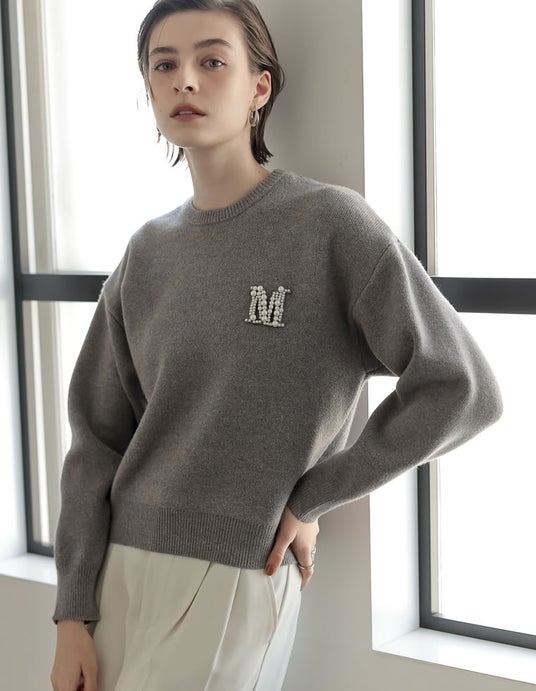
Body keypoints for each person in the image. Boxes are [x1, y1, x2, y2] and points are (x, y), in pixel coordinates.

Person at [50, 1, 503, 689]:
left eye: (211, 60)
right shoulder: (146, 253)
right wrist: (72, 611)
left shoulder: (330, 226)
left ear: (259, 87)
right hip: (116, 570)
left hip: (237, 571)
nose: (184, 81)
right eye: (164, 66)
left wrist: (312, 497)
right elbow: (96, 440)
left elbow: (461, 387)